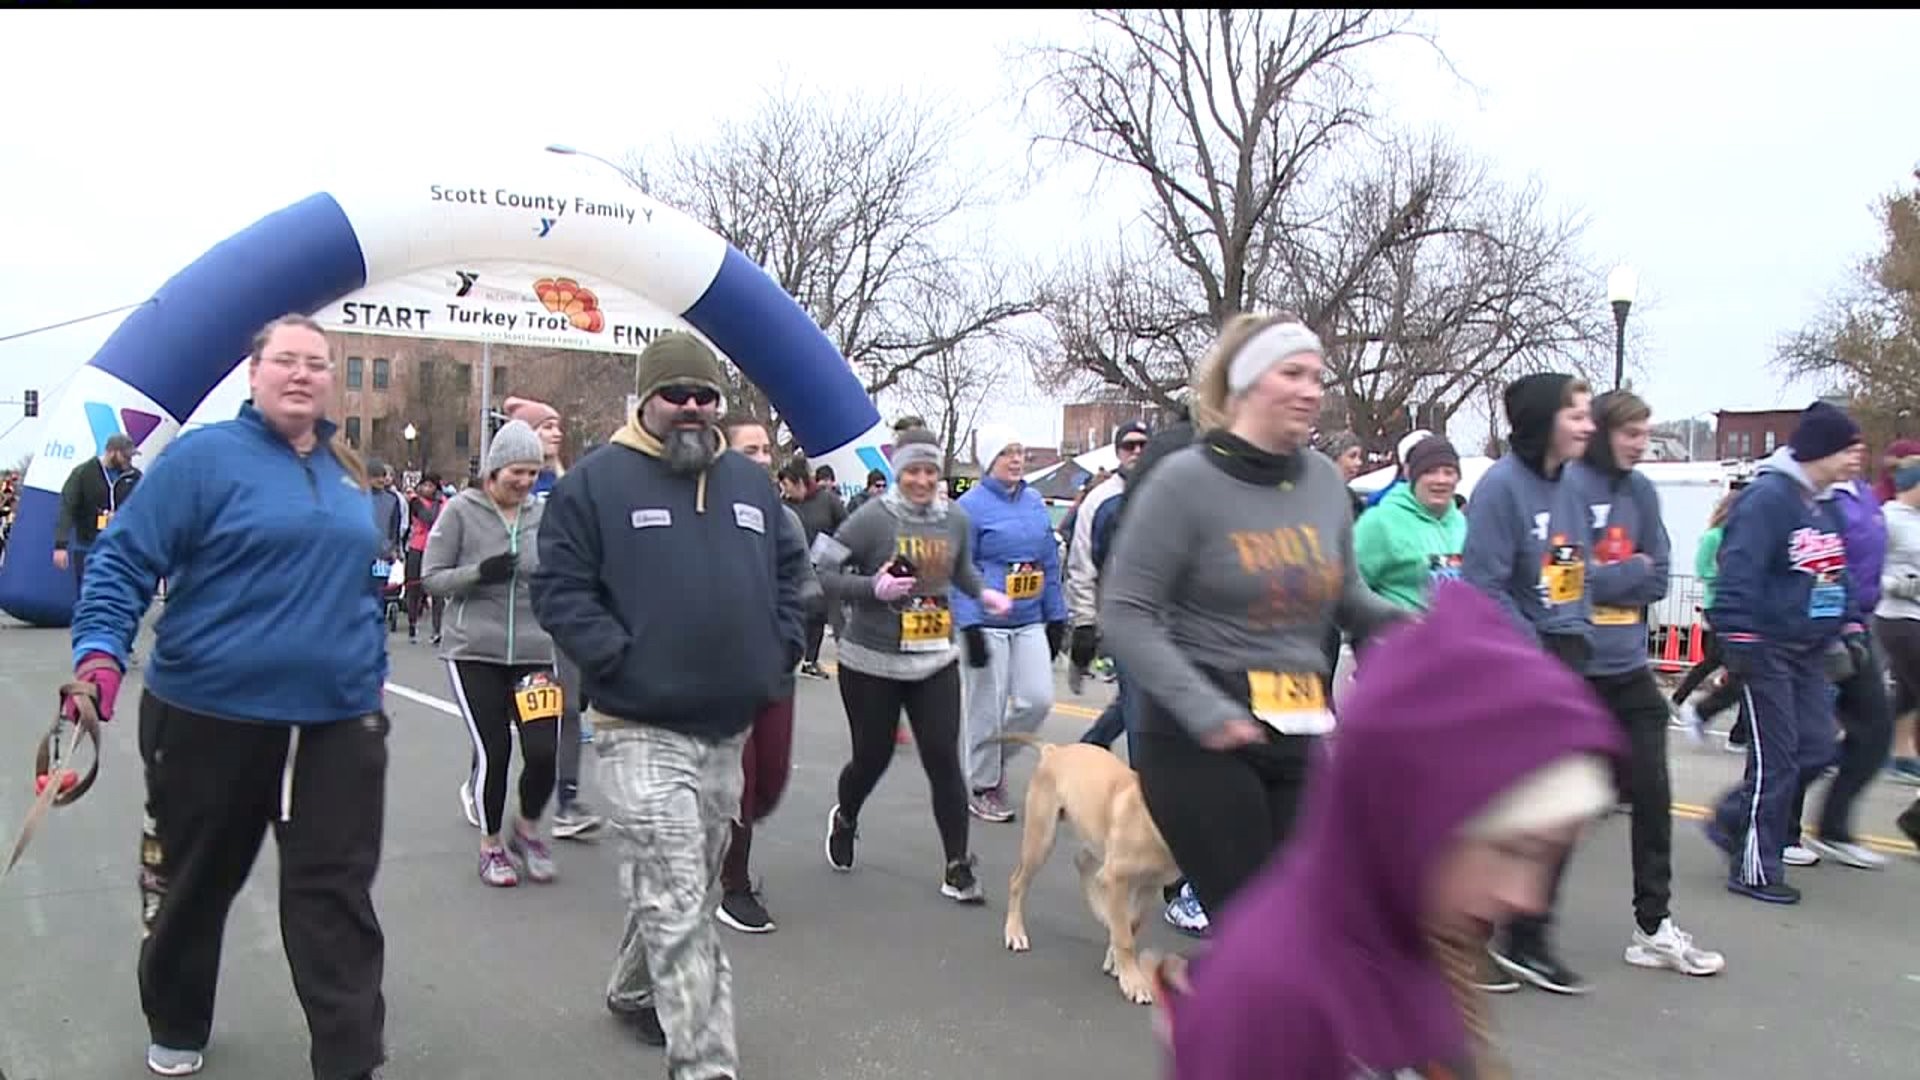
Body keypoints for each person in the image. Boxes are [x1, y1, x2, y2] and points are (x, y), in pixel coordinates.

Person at [68, 313, 388, 1080]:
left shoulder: (347, 470)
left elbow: (355, 585)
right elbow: (120, 562)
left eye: (317, 362)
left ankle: (349, 1060)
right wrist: (101, 656)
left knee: (334, 897)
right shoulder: (203, 460)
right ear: (254, 374)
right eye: (286, 360)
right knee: (193, 885)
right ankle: (176, 1021)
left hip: (337, 726)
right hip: (209, 717)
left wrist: (368, 669)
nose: (302, 373)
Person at [1153, 582, 1626, 1080]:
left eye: (1550, 856)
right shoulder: (1270, 998)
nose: (1528, 898)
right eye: (1514, 850)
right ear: (1413, 815)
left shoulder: (1420, 942)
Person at [531, 332, 807, 1076]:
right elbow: (559, 590)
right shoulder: (595, 483)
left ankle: (630, 989)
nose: (691, 408)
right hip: (635, 729)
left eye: (704, 396)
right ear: (645, 400)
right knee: (682, 904)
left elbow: (791, 574)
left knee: (681, 882)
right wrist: (619, 657)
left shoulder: (751, 487)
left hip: (727, 727)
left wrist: (777, 650)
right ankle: (705, 1065)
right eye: (675, 395)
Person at [1101, 314, 1403, 923]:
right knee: (1259, 931)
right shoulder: (1184, 481)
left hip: (1297, 727)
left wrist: (1430, 630)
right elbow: (1125, 612)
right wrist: (1204, 709)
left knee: (1316, 920)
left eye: (1318, 377)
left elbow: (1346, 596)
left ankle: (1220, 1011)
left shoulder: (1321, 480)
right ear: (1244, 384)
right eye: (1291, 373)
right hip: (1198, 741)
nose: (1311, 390)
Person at [814, 426, 1013, 902]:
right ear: (897, 472)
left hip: (934, 657)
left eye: (929, 471)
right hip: (870, 660)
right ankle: (845, 816)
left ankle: (957, 865)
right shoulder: (870, 520)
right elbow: (821, 570)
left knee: (943, 757)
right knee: (872, 757)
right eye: (912, 471)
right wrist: (871, 590)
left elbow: (959, 568)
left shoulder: (956, 520)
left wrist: (980, 592)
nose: (922, 481)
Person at [1564, 389, 1725, 976]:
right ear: (1604, 431)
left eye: (1644, 432)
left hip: (1629, 668)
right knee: (1552, 805)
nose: (1640, 443)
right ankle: (1509, 923)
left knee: (1652, 791)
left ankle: (1653, 925)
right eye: (1630, 432)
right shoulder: (1568, 487)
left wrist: (1618, 575)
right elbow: (1569, 580)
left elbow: (1658, 575)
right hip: (1573, 667)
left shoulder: (1642, 491)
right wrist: (1621, 574)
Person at [1460, 371, 1596, 994]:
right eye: (1577, 414)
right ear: (1544, 419)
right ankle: (1465, 937)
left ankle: (1528, 935)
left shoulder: (1572, 486)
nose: (1588, 425)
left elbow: (1570, 573)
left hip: (1565, 663)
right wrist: (1536, 650)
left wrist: (1578, 630)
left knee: (1565, 806)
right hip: (1509, 672)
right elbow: (1484, 588)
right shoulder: (1499, 490)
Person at [1706, 401, 1867, 905]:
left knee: (1818, 746)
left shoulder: (1825, 504)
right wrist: (1739, 640)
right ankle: (1754, 867)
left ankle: (1734, 817)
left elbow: (1834, 575)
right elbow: (1737, 572)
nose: (1857, 459)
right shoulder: (1768, 499)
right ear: (1820, 450)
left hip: (1810, 649)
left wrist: (1851, 624)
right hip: (1767, 645)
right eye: (1848, 449)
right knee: (1775, 761)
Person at [423, 420, 564, 888]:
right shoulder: (461, 512)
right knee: (495, 751)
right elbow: (433, 578)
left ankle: (525, 829)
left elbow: (567, 570)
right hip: (474, 650)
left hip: (534, 649)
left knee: (545, 751)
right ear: (493, 471)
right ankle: (491, 845)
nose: (524, 483)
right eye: (515, 474)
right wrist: (479, 573)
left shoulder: (543, 514)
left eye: (532, 474)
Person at [717, 418, 814, 933]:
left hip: (775, 666)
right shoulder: (705, 512)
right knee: (743, 781)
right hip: (723, 672)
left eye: (764, 450)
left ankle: (720, 839)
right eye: (748, 450)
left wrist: (795, 635)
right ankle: (735, 884)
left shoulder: (784, 519)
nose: (760, 459)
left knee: (770, 782)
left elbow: (803, 580)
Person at [502, 394, 604, 839]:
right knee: (509, 717)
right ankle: (482, 778)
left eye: (558, 425)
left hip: (563, 616)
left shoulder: (571, 479)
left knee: (566, 711)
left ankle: (567, 802)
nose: (556, 432)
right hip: (515, 621)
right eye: (546, 426)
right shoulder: (511, 487)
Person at [1790, 434, 1893, 869]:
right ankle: (1775, 827)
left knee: (1875, 729)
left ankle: (1834, 827)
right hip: (1816, 630)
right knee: (1810, 737)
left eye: (1859, 449)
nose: (1856, 455)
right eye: (1846, 448)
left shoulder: (1862, 496)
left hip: (1856, 623)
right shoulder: (1814, 499)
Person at [957, 424, 1068, 823]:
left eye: (1020, 451)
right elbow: (959, 568)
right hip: (986, 622)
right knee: (985, 707)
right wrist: (968, 625)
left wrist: (1058, 616)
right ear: (989, 462)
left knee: (1037, 700)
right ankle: (983, 785)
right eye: (1007, 453)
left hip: (1029, 619)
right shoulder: (969, 506)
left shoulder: (1036, 502)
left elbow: (1049, 563)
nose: (1017, 459)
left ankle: (989, 759)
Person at [1068, 421, 1149, 745]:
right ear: (1118, 452)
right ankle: (1142, 785)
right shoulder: (1099, 501)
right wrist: (1085, 623)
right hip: (1121, 618)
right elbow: (1081, 564)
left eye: (1144, 444)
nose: (1138, 452)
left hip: (1167, 619)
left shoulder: (1169, 492)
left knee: (1140, 699)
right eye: (1130, 446)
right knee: (1140, 705)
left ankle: (1088, 749)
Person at [1353, 434, 1467, 612]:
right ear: (1411, 476)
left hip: (1453, 637)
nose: (1440, 480)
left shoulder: (1461, 524)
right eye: (1430, 471)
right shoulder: (1380, 522)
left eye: (1449, 472)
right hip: (1395, 636)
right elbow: (1349, 590)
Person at [1673, 486, 1746, 745]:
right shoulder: (1714, 537)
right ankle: (1687, 702)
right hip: (1717, 605)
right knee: (1723, 662)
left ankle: (1690, 700)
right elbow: (1703, 570)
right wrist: (1726, 578)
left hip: (1735, 607)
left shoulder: (1736, 537)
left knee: (1717, 660)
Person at [1880, 452, 1920, 844]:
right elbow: (1864, 568)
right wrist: (1897, 585)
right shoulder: (1888, 519)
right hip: (1895, 617)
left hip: (1917, 617)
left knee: (1906, 699)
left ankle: (1876, 746)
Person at [779, 457, 848, 679]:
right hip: (791, 567)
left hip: (823, 567)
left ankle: (811, 659)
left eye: (787, 486)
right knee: (790, 611)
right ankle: (786, 656)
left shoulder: (828, 501)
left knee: (817, 614)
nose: (785, 491)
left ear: (799, 482)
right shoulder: (783, 505)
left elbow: (847, 528)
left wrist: (833, 554)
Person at [54, 431, 141, 590]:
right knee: (89, 595)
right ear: (111, 452)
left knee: (116, 597)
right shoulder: (83, 473)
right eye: (126, 456)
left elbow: (143, 510)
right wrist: (61, 545)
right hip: (88, 546)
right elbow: (67, 509)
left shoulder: (134, 476)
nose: (129, 461)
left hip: (121, 549)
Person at [405, 475, 447, 645]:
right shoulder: (415, 502)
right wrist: (437, 503)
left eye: (431, 486)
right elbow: (428, 518)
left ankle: (437, 629)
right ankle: (412, 624)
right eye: (425, 485)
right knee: (414, 588)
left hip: (437, 548)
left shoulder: (445, 502)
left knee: (437, 591)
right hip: (417, 547)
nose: (428, 489)